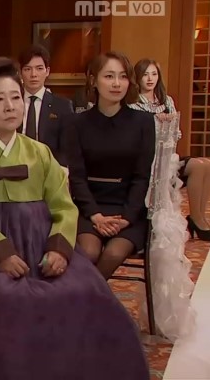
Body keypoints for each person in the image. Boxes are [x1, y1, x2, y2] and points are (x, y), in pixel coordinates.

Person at [0, 57, 149, 380]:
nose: (10, 106)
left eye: (16, 97)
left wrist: (59, 250)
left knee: (87, 292)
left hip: (40, 245)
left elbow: (64, 207)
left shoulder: (40, 153)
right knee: (2, 296)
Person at [64, 51, 157, 279]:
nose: (117, 83)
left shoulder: (144, 122)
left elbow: (142, 177)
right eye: (109, 76)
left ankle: (86, 296)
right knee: (88, 251)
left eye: (123, 76)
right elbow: (76, 176)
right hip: (89, 206)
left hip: (128, 207)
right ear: (94, 80)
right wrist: (94, 214)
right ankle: (93, 297)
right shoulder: (77, 123)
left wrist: (126, 217)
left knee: (114, 253)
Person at [130, 58, 210, 241]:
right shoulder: (133, 103)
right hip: (149, 159)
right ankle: (197, 221)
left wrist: (169, 126)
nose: (150, 79)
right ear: (138, 77)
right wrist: (158, 123)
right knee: (197, 165)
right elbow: (137, 135)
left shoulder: (166, 100)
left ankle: (199, 217)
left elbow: (177, 133)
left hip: (169, 155)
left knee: (207, 164)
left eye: (154, 74)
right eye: (145, 74)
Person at [17, 44, 75, 166]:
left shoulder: (62, 106)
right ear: (20, 72)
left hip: (49, 168)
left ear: (47, 71)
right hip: (15, 167)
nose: (33, 74)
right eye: (27, 69)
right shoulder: (12, 103)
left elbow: (67, 148)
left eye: (39, 68)